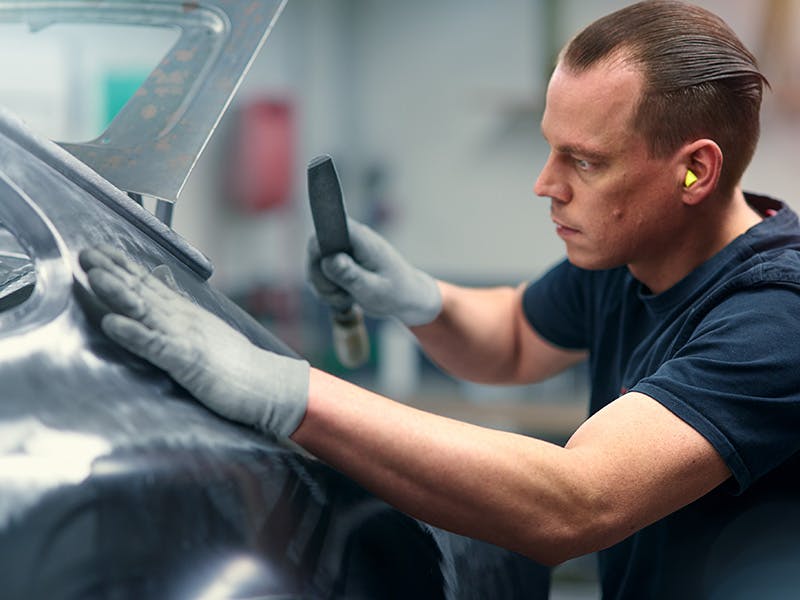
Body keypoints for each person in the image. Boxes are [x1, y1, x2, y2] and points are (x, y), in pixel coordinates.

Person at [79, 1, 800, 597]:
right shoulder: (635, 252)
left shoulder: (775, 316)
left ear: (694, 172)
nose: (546, 184)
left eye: (585, 160)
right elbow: (515, 337)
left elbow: (578, 499)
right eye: (552, 149)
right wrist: (418, 298)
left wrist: (286, 391)